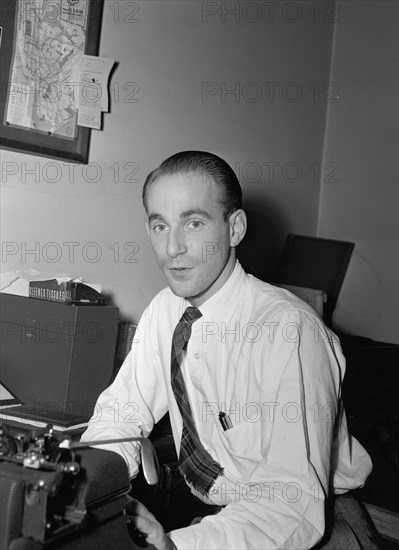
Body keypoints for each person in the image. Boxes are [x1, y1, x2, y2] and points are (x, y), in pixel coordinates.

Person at [81, 151, 373, 550]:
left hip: (310, 524)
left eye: (194, 223)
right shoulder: (166, 310)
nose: (172, 248)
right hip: (219, 511)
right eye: (159, 225)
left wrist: (174, 546)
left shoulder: (289, 331)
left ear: (234, 228)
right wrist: (102, 495)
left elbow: (291, 506)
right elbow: (121, 413)